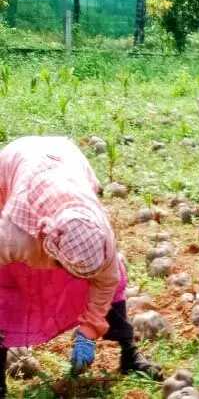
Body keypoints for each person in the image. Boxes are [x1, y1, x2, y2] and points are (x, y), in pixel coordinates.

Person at [0, 136, 161, 399]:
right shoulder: (14, 235)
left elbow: (106, 282)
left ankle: (129, 354)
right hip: (15, 164)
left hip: (66, 160)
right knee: (8, 286)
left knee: (114, 279)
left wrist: (88, 332)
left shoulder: (100, 232)